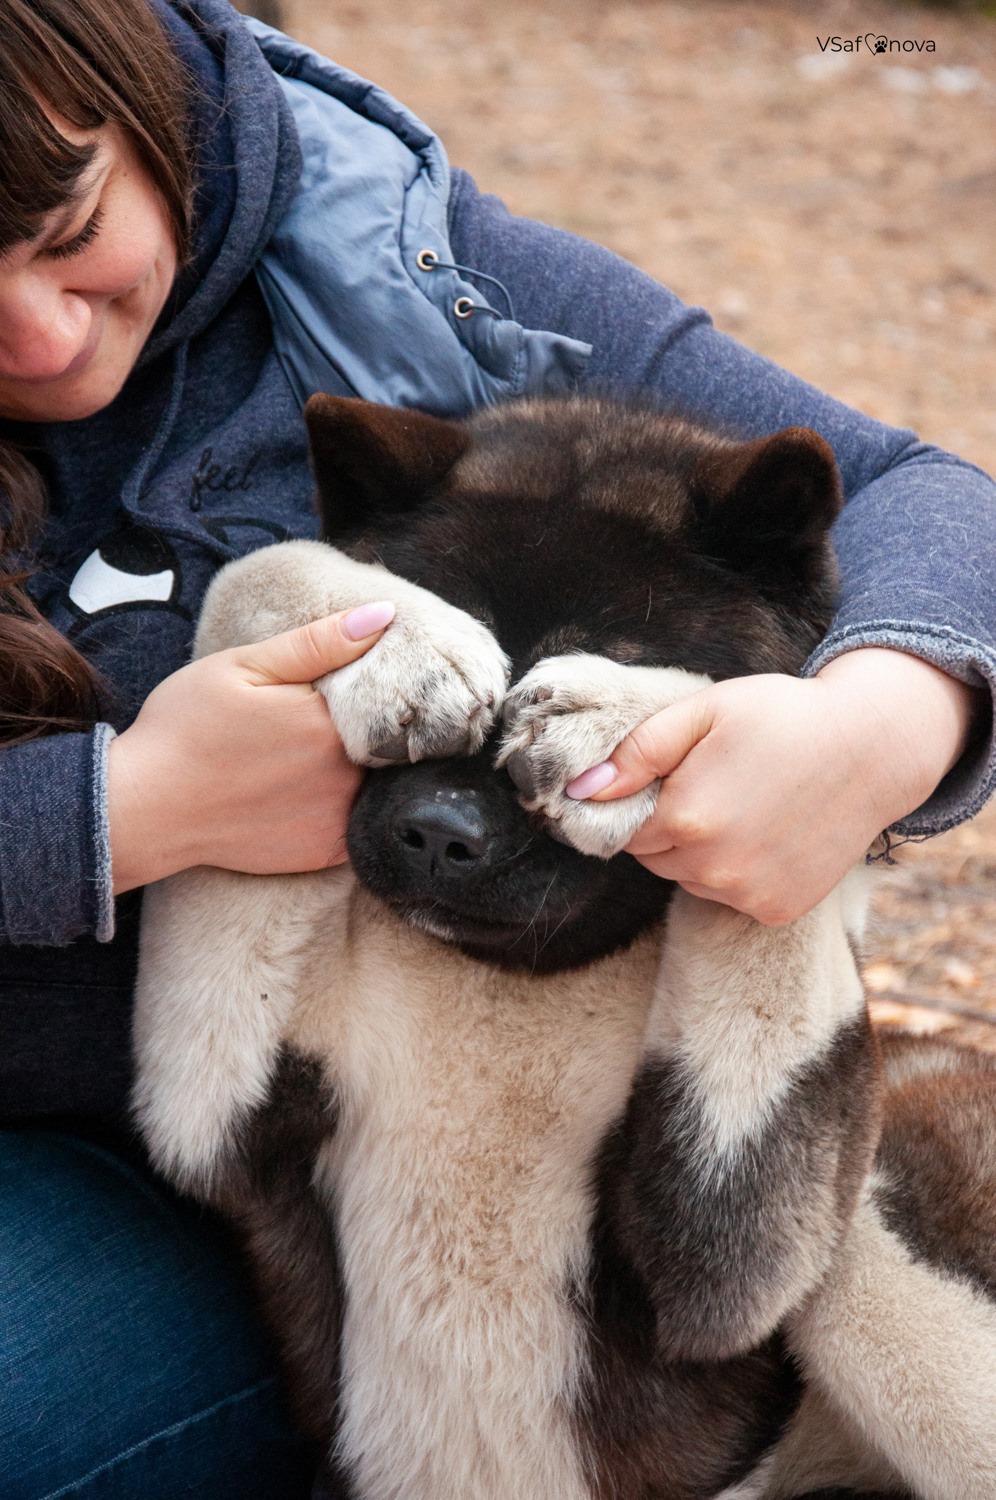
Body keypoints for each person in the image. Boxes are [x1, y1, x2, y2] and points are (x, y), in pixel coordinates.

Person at [0, 0, 992, 1493]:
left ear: (146, 103)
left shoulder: (386, 257)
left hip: (376, 1180)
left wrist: (874, 724)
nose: (40, 333)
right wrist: (122, 813)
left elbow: (926, 500)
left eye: (68, 230)